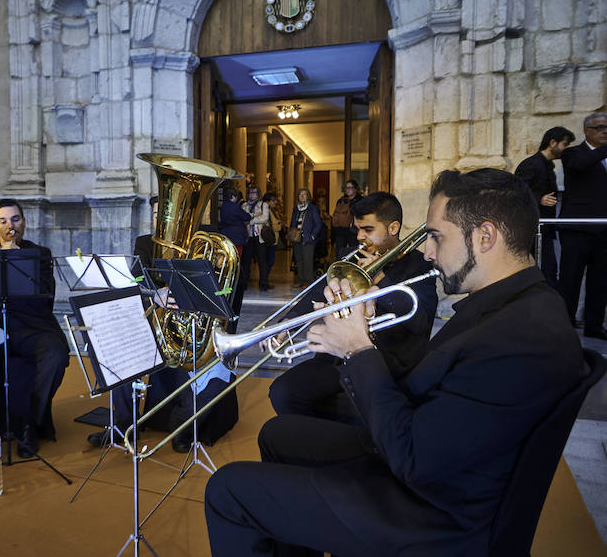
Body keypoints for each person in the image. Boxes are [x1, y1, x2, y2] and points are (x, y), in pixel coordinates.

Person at [204, 168, 586, 557]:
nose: (428, 251)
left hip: (429, 512)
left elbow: (413, 457)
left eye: (437, 236)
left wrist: (357, 351)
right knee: (276, 434)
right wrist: (354, 339)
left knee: (227, 490)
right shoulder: (514, 304)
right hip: (424, 459)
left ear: (485, 237)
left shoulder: (523, 335)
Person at [86, 196, 239, 452]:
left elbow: (223, 288)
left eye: (169, 214)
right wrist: (154, 293)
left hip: (192, 327)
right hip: (156, 320)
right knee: (116, 346)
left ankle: (183, 424)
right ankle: (124, 425)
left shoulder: (203, 244)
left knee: (217, 374)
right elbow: (137, 278)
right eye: (157, 214)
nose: (162, 220)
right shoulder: (145, 242)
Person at [268, 191, 438, 420]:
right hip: (340, 355)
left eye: (367, 230)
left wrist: (379, 279)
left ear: (393, 228)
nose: (359, 236)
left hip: (387, 361)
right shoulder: (352, 256)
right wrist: (287, 324)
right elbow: (318, 293)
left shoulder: (419, 265)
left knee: (358, 408)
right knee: (282, 392)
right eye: (357, 229)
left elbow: (422, 320)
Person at [0, 199, 69, 466]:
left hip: (33, 327)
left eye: (15, 219)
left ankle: (30, 422)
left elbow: (46, 300)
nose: (10, 226)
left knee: (56, 353)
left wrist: (17, 258)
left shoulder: (40, 254)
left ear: (24, 222)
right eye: (3, 221)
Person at [558, 112, 607, 339]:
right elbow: (580, 167)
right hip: (577, 228)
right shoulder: (572, 153)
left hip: (603, 229)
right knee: (570, 279)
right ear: (587, 131)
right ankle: (564, 324)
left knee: (600, 281)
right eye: (600, 127)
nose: (605, 131)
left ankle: (594, 326)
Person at [515, 126, 575, 289]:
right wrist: (539, 199)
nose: (565, 149)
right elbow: (516, 191)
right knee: (544, 272)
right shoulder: (531, 164)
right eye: (564, 144)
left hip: (544, 229)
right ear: (553, 142)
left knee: (548, 272)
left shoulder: (547, 166)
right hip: (532, 229)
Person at [288, 188, 323, 288]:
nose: (302, 196)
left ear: (308, 196)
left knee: (307, 260)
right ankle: (300, 280)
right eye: (300, 194)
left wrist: (312, 236)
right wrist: (291, 233)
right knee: (299, 259)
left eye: (305, 194)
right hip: (296, 237)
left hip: (307, 237)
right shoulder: (296, 209)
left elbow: (318, 224)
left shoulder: (312, 208)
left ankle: (308, 282)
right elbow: (292, 223)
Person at [240, 186, 271, 291]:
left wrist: (251, 220)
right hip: (247, 237)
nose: (252, 195)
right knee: (246, 261)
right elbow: (242, 218)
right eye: (250, 193)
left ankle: (263, 283)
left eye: (254, 193)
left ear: (258, 194)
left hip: (259, 237)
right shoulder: (244, 205)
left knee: (262, 261)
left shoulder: (263, 205)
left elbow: (265, 218)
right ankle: (244, 284)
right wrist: (253, 215)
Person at [330, 179, 361, 258]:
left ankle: (353, 269)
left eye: (350, 187)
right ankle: (339, 269)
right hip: (340, 230)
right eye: (347, 188)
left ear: (355, 189)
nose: (348, 190)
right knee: (339, 252)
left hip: (353, 231)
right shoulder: (341, 201)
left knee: (354, 253)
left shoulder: (360, 200)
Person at [218, 188, 250, 256]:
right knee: (236, 257)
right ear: (233, 196)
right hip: (236, 236)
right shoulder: (234, 206)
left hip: (225, 234)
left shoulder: (223, 206)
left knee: (228, 256)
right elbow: (246, 217)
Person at [262, 192, 282, 279]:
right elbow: (270, 226)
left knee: (270, 261)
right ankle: (264, 280)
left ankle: (265, 280)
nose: (275, 202)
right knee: (269, 261)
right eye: (273, 201)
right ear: (267, 202)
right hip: (268, 240)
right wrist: (279, 226)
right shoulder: (266, 211)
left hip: (273, 240)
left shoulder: (272, 210)